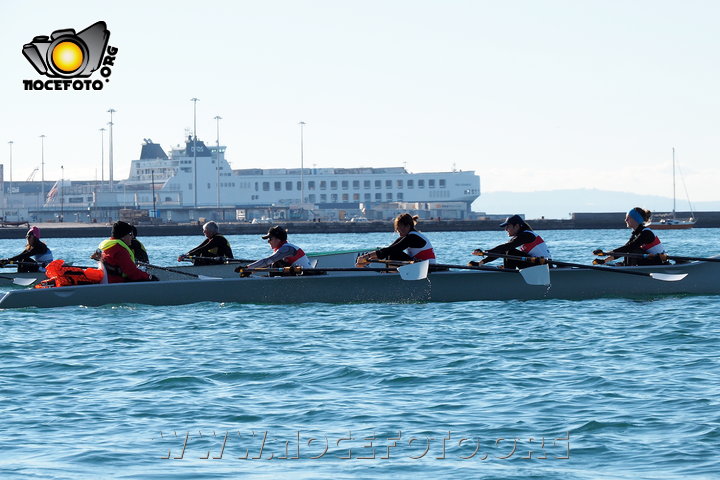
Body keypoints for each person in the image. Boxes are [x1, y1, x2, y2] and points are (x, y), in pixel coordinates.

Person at [471, 214, 551, 269]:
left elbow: (506, 247)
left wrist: (485, 252)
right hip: (537, 265)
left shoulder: (527, 235)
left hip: (543, 266)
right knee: (508, 251)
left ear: (516, 226)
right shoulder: (520, 237)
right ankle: (508, 269)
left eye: (508, 226)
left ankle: (508, 272)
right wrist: (481, 262)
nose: (505, 229)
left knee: (509, 251)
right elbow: (502, 251)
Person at [596, 207, 667, 266]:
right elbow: (624, 249)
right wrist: (604, 260)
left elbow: (630, 247)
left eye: (628, 218)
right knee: (630, 251)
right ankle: (625, 265)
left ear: (635, 219)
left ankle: (627, 267)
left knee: (632, 251)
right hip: (650, 261)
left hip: (658, 262)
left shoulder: (646, 233)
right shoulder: (636, 234)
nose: (625, 220)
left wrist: (609, 252)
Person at [357, 213, 436, 264]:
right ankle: (390, 273)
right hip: (420, 266)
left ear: (407, 227)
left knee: (393, 253)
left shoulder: (413, 237)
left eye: (399, 230)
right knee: (391, 252)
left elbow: (391, 250)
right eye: (397, 230)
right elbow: (388, 249)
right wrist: (368, 260)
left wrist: (366, 257)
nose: (399, 232)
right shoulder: (407, 236)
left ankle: (391, 275)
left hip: (428, 268)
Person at [244, 225, 311, 271]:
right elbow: (266, 264)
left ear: (278, 239)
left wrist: (247, 268)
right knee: (274, 263)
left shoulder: (286, 249)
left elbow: (267, 261)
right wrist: (251, 270)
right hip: (299, 275)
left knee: (275, 263)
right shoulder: (284, 248)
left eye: (270, 239)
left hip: (307, 276)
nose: (268, 241)